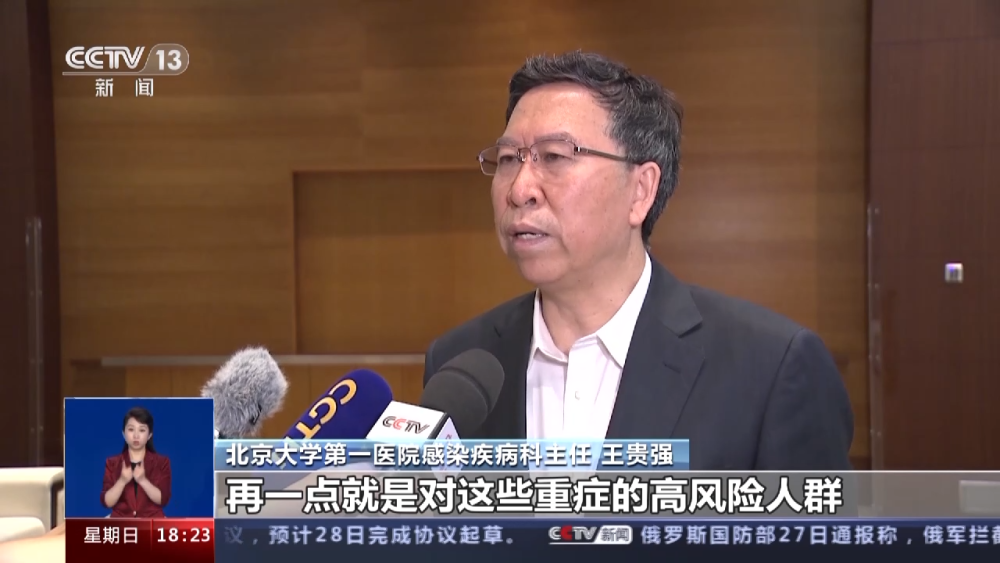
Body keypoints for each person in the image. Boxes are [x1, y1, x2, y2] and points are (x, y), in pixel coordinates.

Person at [423, 51, 854, 470]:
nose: (520, 190)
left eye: (553, 156)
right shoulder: (459, 363)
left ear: (641, 191)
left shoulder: (771, 368)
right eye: (507, 160)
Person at [100, 407, 172, 517]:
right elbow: (107, 502)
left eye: (142, 430)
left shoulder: (162, 462)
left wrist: (143, 480)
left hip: (152, 521)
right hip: (121, 521)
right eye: (131, 429)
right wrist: (122, 481)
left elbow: (163, 500)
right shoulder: (112, 463)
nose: (136, 435)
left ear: (149, 435)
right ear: (123, 433)